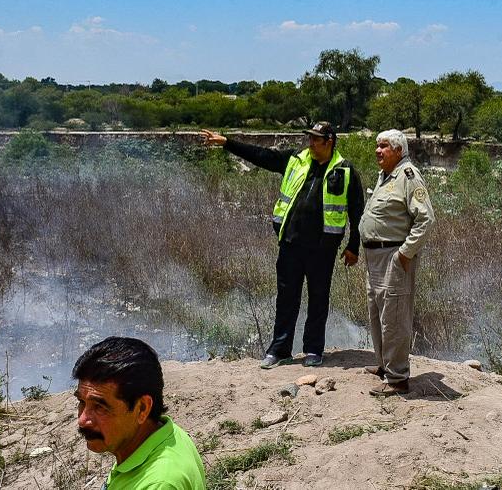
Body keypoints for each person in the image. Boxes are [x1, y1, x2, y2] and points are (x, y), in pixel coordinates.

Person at [200, 122, 364, 368]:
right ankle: (279, 350)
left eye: (315, 139)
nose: (310, 142)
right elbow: (263, 157)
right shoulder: (295, 160)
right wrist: (227, 143)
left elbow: (357, 212)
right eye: (309, 137)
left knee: (319, 299)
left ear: (329, 141)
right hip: (291, 244)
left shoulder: (345, 171)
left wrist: (353, 246)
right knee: (287, 298)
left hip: (323, 249)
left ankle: (313, 350)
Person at [356, 129, 435, 396]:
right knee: (378, 312)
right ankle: (384, 365)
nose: (378, 151)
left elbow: (425, 219)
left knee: (395, 316)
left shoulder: (409, 176)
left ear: (398, 150)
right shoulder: (385, 175)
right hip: (374, 257)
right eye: (377, 146)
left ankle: (398, 378)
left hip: (393, 257)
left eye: (384, 146)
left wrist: (405, 253)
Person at [73, 336, 205, 490]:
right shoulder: (162, 434)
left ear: (142, 408)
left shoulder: (159, 484)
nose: (82, 420)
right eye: (82, 402)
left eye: (100, 407)